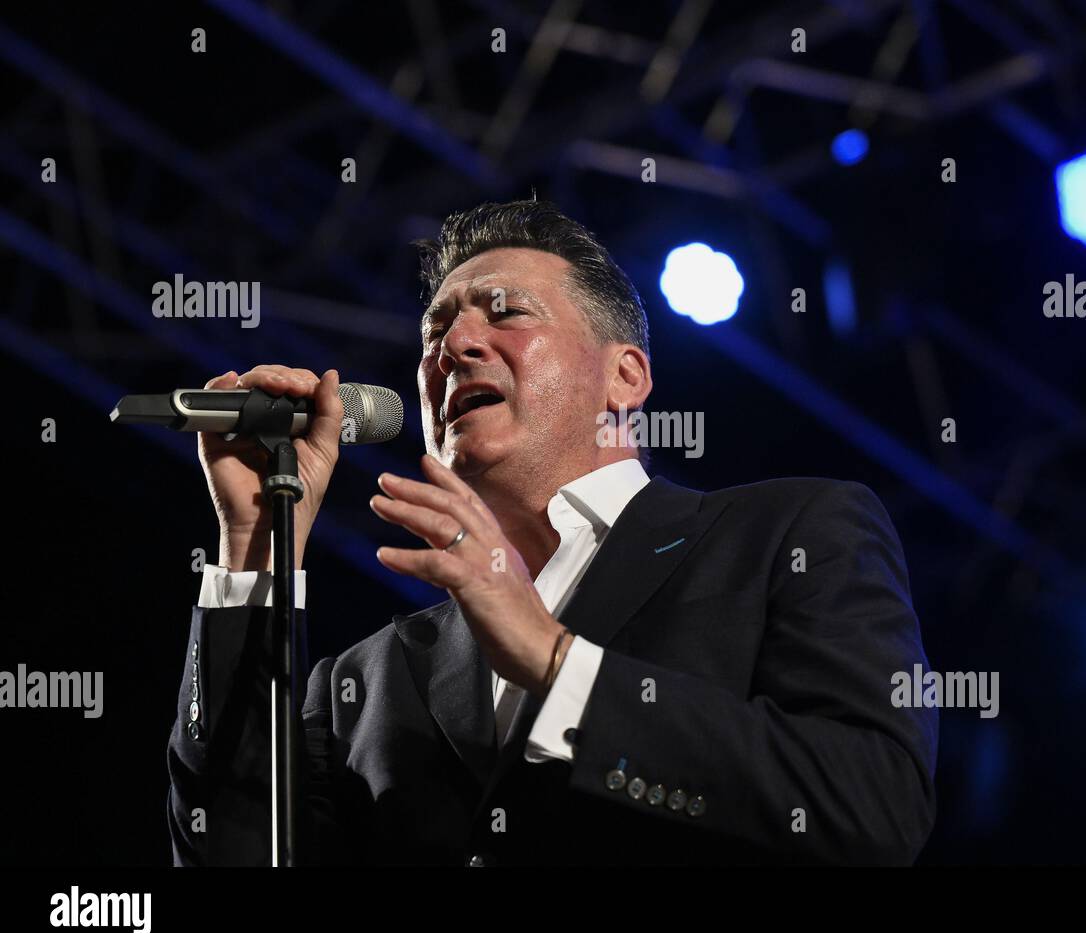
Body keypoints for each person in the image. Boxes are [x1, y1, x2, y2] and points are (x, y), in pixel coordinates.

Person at [166, 199, 938, 866]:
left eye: (505, 312)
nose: (454, 348)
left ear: (626, 378)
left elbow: (872, 805)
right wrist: (257, 545)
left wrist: (558, 664)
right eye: (436, 331)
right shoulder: (364, 683)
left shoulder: (786, 534)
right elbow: (228, 849)